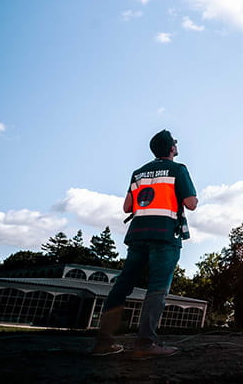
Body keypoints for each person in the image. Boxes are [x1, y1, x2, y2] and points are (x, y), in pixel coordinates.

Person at [91, 129, 198, 357]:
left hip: (138, 234)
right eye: (175, 143)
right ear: (171, 148)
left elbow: (128, 207)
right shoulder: (178, 170)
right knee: (157, 288)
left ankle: (104, 341)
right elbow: (191, 203)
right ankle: (145, 343)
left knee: (123, 285)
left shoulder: (138, 173)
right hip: (165, 236)